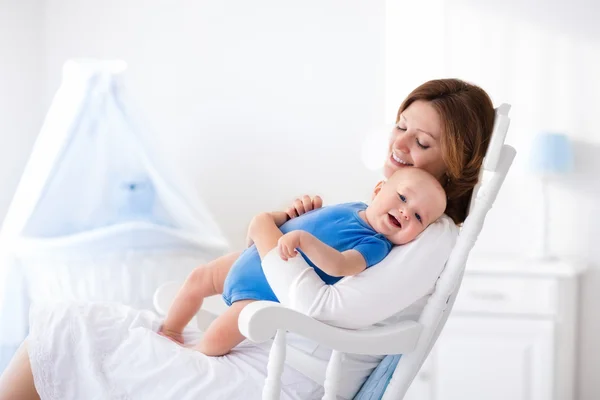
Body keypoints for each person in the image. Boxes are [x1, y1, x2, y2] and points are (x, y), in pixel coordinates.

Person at [0, 78, 496, 400]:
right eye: (401, 126)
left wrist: (266, 232)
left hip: (284, 368)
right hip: (276, 340)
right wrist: (288, 221)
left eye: (422, 142)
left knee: (71, 335)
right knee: (77, 329)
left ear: (456, 163)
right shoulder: (380, 208)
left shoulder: (430, 235)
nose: (400, 144)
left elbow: (327, 303)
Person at [159, 168, 446, 356]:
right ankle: (170, 329)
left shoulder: (376, 245)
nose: (406, 212)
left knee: (224, 332)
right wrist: (285, 217)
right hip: (254, 258)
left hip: (265, 293)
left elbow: (342, 265)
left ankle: (195, 355)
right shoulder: (354, 207)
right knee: (200, 277)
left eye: (419, 217)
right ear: (378, 190)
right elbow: (308, 221)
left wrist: (305, 241)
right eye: (402, 197)